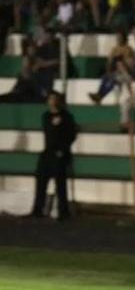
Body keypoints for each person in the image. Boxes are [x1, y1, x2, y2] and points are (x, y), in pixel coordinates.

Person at [27, 92, 78, 221]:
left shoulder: (67, 117)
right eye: (51, 99)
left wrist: (63, 150)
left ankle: (63, 212)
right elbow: (48, 130)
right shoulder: (46, 116)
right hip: (48, 151)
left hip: (60, 153)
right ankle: (38, 209)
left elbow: (70, 135)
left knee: (60, 184)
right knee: (40, 181)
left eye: (55, 99)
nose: (53, 102)